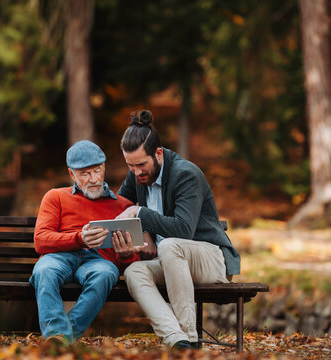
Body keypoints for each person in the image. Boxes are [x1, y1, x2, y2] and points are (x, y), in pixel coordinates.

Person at [114, 110, 241, 349]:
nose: (137, 172)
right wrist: (146, 234)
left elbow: (182, 229)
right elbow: (121, 206)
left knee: (170, 245)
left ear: (158, 154)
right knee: (134, 273)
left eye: (141, 164)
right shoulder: (136, 175)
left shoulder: (186, 175)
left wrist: (141, 214)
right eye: (130, 166)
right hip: (170, 260)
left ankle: (191, 339)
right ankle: (177, 340)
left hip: (210, 258)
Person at [29, 140, 153, 344]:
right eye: (85, 174)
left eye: (97, 171)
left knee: (105, 274)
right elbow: (41, 241)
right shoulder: (55, 197)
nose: (93, 179)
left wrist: (125, 254)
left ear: (104, 168)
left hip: (99, 261)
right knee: (44, 271)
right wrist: (79, 238)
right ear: (72, 174)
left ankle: (61, 338)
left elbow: (131, 259)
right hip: (59, 257)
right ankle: (58, 335)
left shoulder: (123, 206)